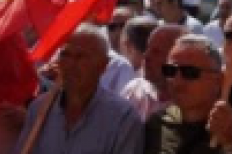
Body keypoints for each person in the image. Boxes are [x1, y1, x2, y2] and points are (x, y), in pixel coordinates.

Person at [12, 23, 144, 154]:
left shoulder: (122, 118)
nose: (71, 64)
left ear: (103, 65)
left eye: (81, 57)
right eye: (65, 55)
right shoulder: (39, 109)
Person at [145, 35, 232, 154]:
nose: (177, 80)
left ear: (219, 80)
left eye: (190, 72)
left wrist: (230, 145)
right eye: (170, 70)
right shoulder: (156, 126)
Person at [121, 24, 186, 120]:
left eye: (156, 52)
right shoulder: (134, 89)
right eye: (147, 49)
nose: (146, 56)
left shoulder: (191, 103)